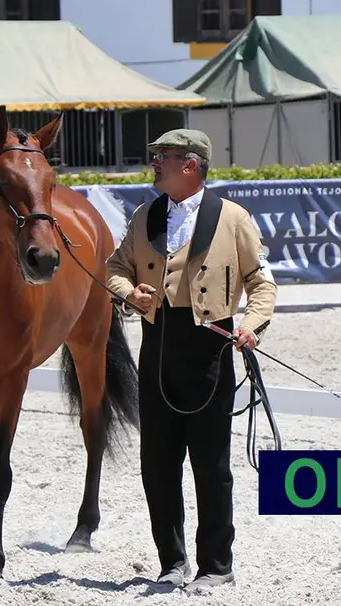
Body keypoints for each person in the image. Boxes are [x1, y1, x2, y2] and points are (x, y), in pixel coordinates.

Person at [105, 129, 277, 592]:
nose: (154, 162)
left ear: (191, 165)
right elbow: (115, 269)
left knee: (210, 464)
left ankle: (217, 565)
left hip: (211, 348)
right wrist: (129, 294)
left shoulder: (233, 218)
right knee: (157, 463)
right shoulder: (144, 215)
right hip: (157, 346)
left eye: (163, 156)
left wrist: (251, 324)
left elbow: (262, 284)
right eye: (155, 155)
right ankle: (172, 562)